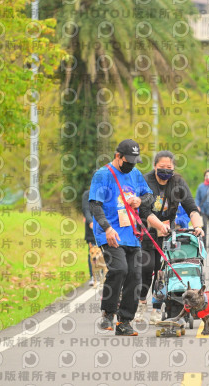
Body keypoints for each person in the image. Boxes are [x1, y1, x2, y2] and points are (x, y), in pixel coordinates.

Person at [89, 139, 170, 336]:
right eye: (128, 161)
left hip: (132, 234)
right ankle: (108, 312)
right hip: (110, 233)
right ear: (118, 156)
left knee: (135, 275)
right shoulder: (103, 175)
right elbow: (94, 205)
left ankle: (124, 321)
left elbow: (150, 197)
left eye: (135, 161)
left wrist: (140, 200)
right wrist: (107, 228)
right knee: (119, 269)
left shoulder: (135, 174)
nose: (132, 165)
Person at [136, 151, 204, 323]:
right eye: (162, 167)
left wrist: (198, 226)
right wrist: (160, 225)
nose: (165, 170)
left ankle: (157, 308)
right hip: (147, 231)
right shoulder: (145, 181)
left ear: (173, 168)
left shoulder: (178, 182)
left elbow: (191, 207)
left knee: (163, 272)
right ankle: (141, 302)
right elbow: (144, 210)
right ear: (154, 166)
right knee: (147, 268)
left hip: (168, 234)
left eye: (169, 167)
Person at [81, 188, 95, 286]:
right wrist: (90, 222)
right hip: (91, 230)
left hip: (106, 228)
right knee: (92, 253)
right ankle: (93, 276)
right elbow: (86, 210)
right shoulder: (87, 194)